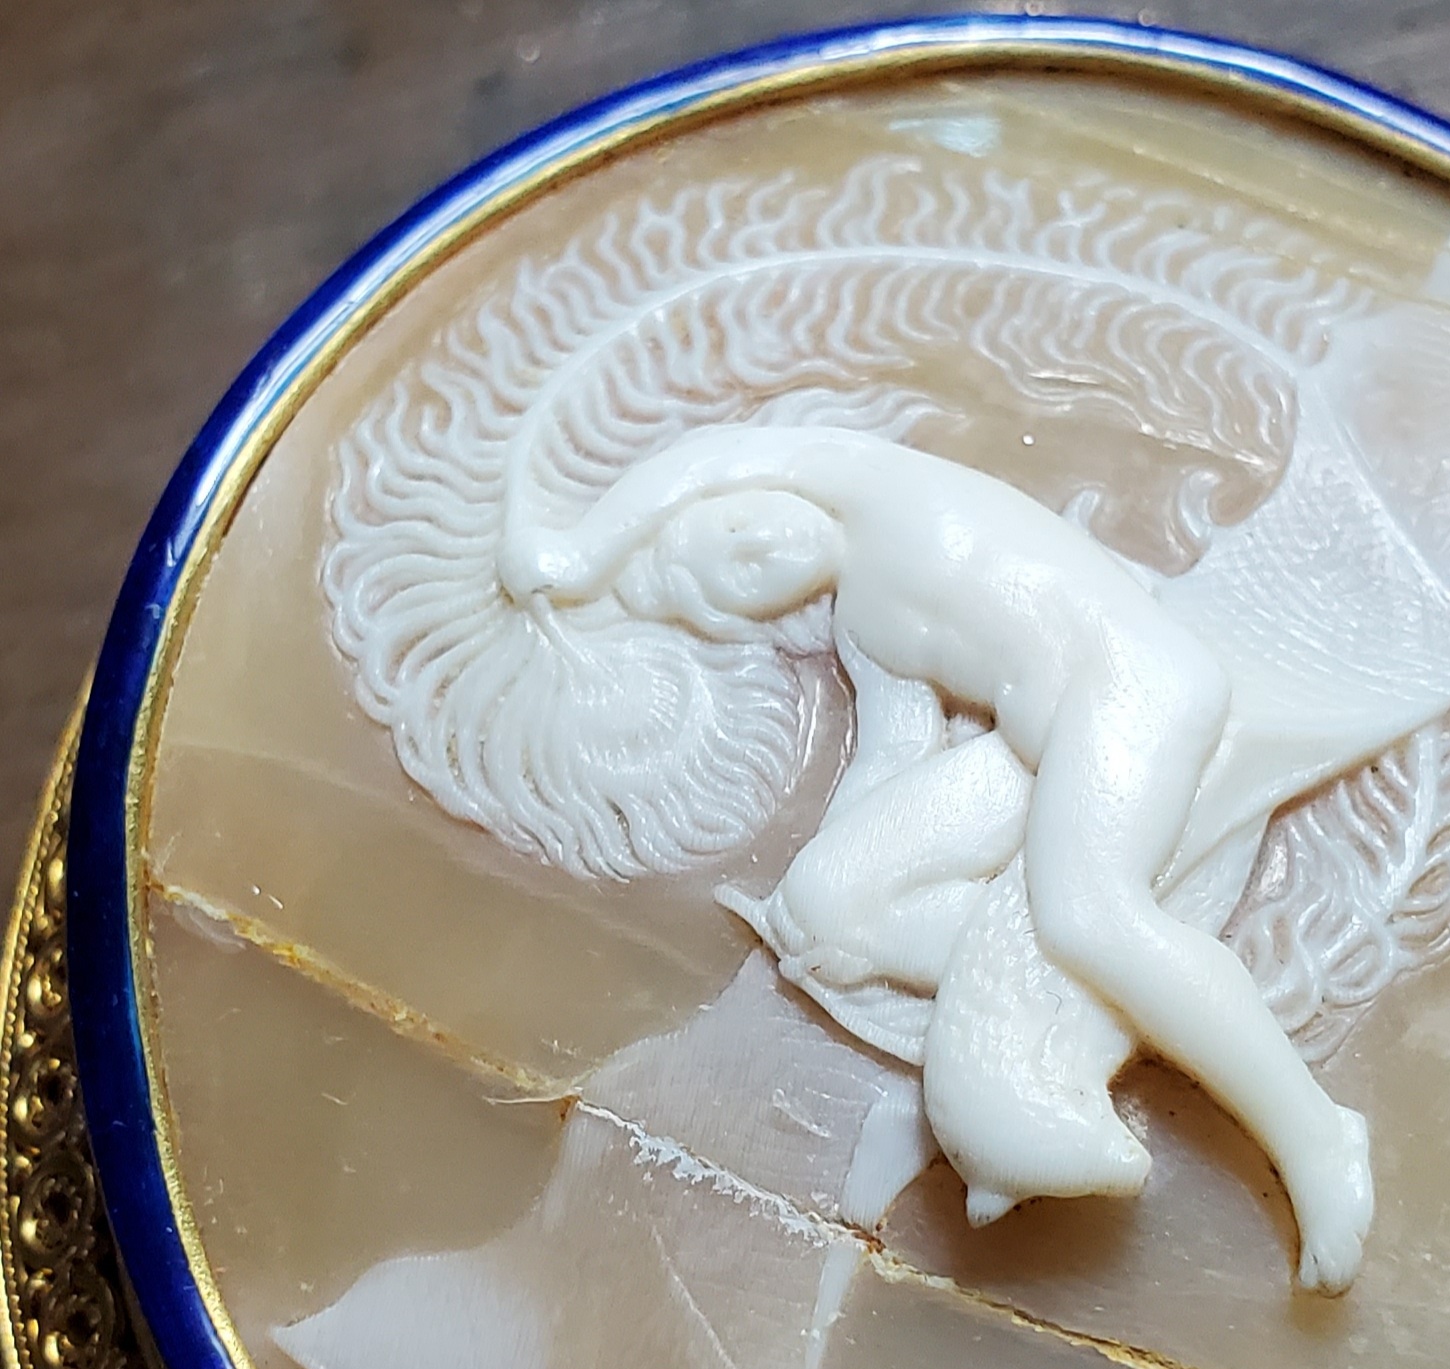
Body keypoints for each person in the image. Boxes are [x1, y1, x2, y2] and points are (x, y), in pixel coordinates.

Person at [500, 424, 1373, 1291]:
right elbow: (889, 759)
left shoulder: (868, 483)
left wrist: (583, 550)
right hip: (1035, 755)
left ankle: (1317, 1136)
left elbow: (713, 454)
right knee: (826, 901)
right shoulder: (867, 628)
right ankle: (1023, 1034)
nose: (754, 550)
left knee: (1089, 916)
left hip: (1131, 690)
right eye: (735, 583)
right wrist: (834, 898)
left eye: (725, 529)